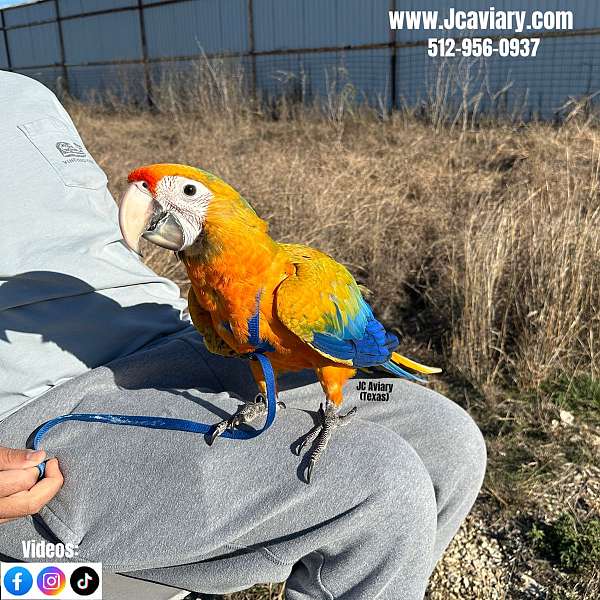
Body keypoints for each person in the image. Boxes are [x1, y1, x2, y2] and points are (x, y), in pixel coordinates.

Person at [0, 71, 486, 600]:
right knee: (378, 483)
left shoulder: (27, 91)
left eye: (186, 191)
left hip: (179, 335)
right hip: (46, 399)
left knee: (450, 441)